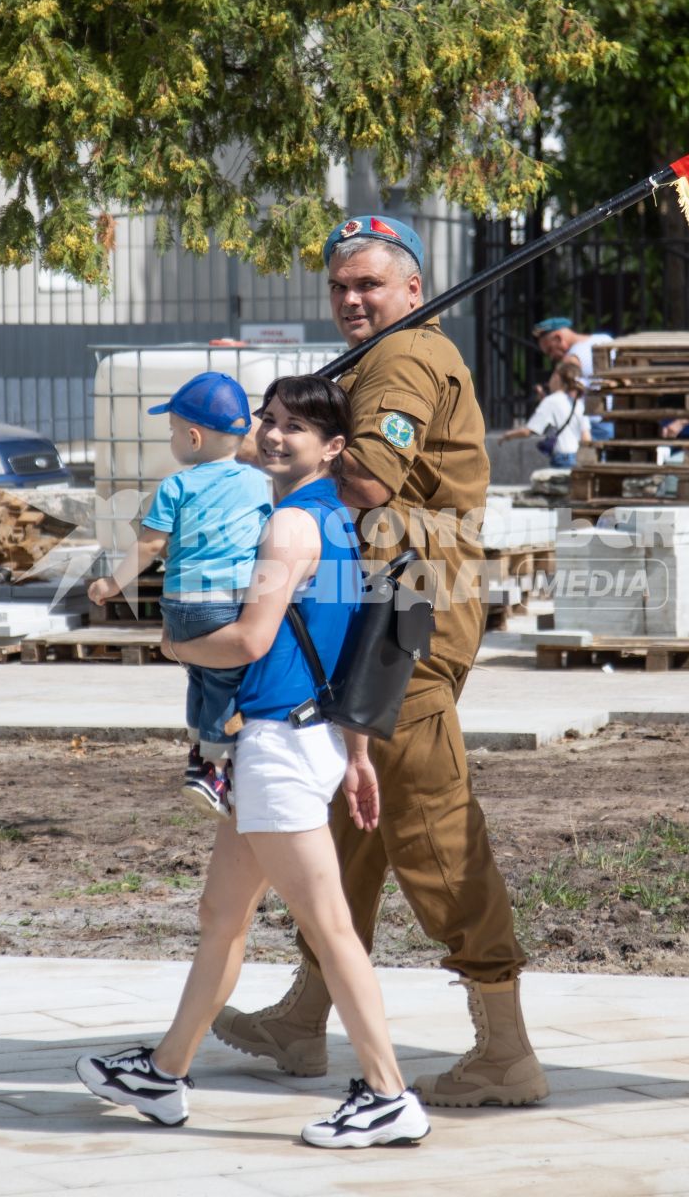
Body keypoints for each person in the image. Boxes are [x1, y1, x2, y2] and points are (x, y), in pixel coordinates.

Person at [215, 214, 549, 1108]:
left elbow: (365, 481)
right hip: (375, 609)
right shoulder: (379, 360)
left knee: (428, 823)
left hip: (411, 616)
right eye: (340, 286)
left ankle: (505, 1047)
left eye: (370, 284)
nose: (353, 300)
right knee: (346, 821)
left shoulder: (404, 360)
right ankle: (304, 1017)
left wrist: (270, 448)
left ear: (412, 287)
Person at [76, 376, 432, 1149]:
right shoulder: (337, 521)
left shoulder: (290, 531)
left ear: (333, 448)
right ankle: (164, 1074)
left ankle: (387, 1093)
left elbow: (249, 641)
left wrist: (168, 645)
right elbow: (341, 643)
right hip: (308, 740)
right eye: (269, 421)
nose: (274, 436)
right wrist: (357, 753)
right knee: (221, 918)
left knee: (331, 928)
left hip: (275, 746)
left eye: (295, 428)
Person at [87, 372, 272, 816]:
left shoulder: (176, 486)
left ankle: (199, 752)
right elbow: (266, 537)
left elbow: (150, 546)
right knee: (226, 681)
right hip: (227, 602)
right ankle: (213, 767)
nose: (171, 439)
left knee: (200, 675)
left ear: (192, 437)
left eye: (172, 431)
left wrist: (112, 584)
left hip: (181, 605)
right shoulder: (256, 484)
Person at [532, 317, 614, 440]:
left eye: (550, 350)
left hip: (592, 424)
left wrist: (545, 398)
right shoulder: (605, 339)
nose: (551, 357)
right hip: (613, 417)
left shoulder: (571, 358)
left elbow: (557, 392)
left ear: (558, 338)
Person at [501, 361, 590, 468]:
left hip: (562, 458)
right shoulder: (577, 402)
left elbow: (528, 431)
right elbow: (586, 436)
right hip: (578, 456)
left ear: (557, 377)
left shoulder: (551, 401)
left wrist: (507, 436)